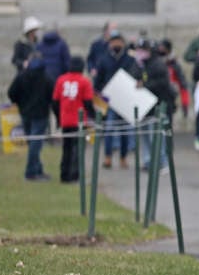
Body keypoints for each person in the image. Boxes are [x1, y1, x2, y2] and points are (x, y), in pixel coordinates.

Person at [91, 30, 142, 170]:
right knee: (109, 128)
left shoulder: (130, 59)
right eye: (113, 42)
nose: (116, 44)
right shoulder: (103, 59)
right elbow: (98, 81)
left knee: (124, 130)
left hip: (124, 98)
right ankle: (108, 156)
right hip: (109, 99)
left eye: (118, 41)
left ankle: (123, 157)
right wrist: (98, 97)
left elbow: (136, 76)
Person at [8, 54, 54, 181]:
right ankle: (30, 173)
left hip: (25, 113)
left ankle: (38, 169)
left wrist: (20, 104)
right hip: (41, 115)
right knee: (35, 144)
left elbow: (11, 92)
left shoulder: (21, 76)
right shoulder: (46, 78)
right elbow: (52, 97)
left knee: (32, 143)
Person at [52, 56, 96, 183]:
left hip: (65, 120)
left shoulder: (61, 80)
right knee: (78, 149)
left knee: (66, 148)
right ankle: (75, 175)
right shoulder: (84, 82)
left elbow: (55, 102)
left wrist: (58, 118)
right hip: (80, 121)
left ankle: (64, 174)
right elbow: (88, 102)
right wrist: (94, 116)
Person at [139, 39, 178, 172]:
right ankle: (149, 161)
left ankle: (163, 162)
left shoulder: (158, 65)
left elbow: (162, 84)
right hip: (146, 106)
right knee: (146, 135)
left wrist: (144, 86)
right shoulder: (142, 65)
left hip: (159, 105)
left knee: (157, 136)